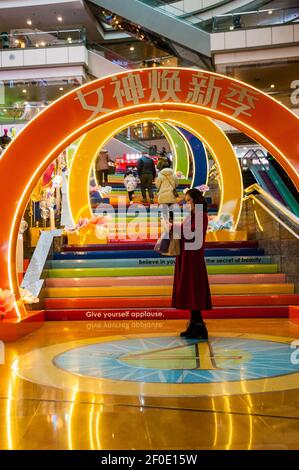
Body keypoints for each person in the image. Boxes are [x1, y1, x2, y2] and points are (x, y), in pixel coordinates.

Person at [171, 188, 212, 339]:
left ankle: (199, 326)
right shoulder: (194, 215)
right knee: (190, 292)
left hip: (193, 257)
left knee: (193, 291)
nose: (187, 204)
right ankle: (195, 324)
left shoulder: (201, 215)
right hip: (187, 255)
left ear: (196, 200)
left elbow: (191, 233)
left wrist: (174, 229)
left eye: (189, 200)